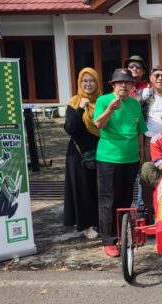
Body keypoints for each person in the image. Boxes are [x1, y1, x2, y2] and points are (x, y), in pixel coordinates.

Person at [93, 68, 148, 257]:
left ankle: (123, 233)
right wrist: (110, 109)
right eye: (120, 82)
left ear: (133, 86)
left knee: (125, 199)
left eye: (128, 82)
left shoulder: (134, 103)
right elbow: (98, 124)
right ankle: (108, 240)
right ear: (113, 85)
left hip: (131, 158)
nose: (124, 85)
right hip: (109, 158)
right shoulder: (103, 100)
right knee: (108, 200)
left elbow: (140, 131)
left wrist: (142, 156)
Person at [63, 67, 101, 239]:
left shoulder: (102, 101)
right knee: (83, 189)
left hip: (100, 151)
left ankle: (99, 221)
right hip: (78, 153)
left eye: (91, 80)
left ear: (97, 82)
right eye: (84, 81)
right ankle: (86, 225)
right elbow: (70, 128)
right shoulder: (74, 102)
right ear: (79, 83)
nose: (88, 84)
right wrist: (80, 109)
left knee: (98, 188)